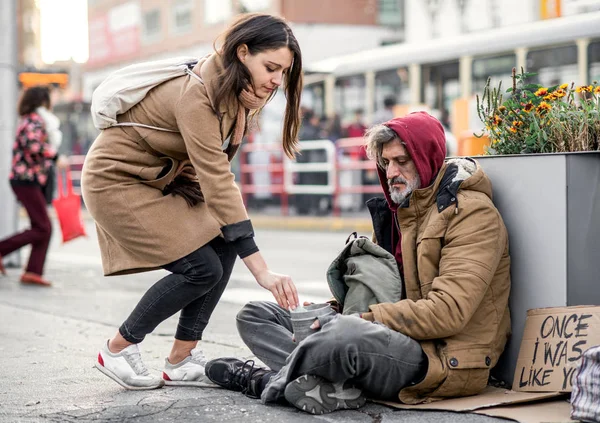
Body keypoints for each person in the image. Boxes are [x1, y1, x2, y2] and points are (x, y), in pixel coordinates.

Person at [204, 112, 511, 415]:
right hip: (389, 334)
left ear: (427, 158)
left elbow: (449, 313)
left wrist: (359, 320)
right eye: (387, 163)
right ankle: (329, 384)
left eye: (402, 161)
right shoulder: (400, 212)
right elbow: (380, 290)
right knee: (256, 315)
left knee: (342, 335)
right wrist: (335, 311)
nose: (392, 172)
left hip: (442, 357)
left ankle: (268, 382)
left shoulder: (471, 215)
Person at [81, 13, 302, 391]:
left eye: (283, 73)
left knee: (224, 241)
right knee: (202, 269)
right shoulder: (197, 94)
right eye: (271, 68)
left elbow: (214, 178)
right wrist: (262, 271)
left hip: (158, 182)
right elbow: (218, 179)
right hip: (116, 183)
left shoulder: (236, 97)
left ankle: (181, 357)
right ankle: (118, 348)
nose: (276, 81)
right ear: (242, 52)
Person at [0, 86, 69, 286]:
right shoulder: (34, 120)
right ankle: (9, 254)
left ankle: (33, 271)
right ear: (42, 101)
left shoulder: (31, 119)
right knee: (43, 226)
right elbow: (33, 145)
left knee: (42, 227)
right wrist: (56, 157)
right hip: (25, 180)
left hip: (29, 180)